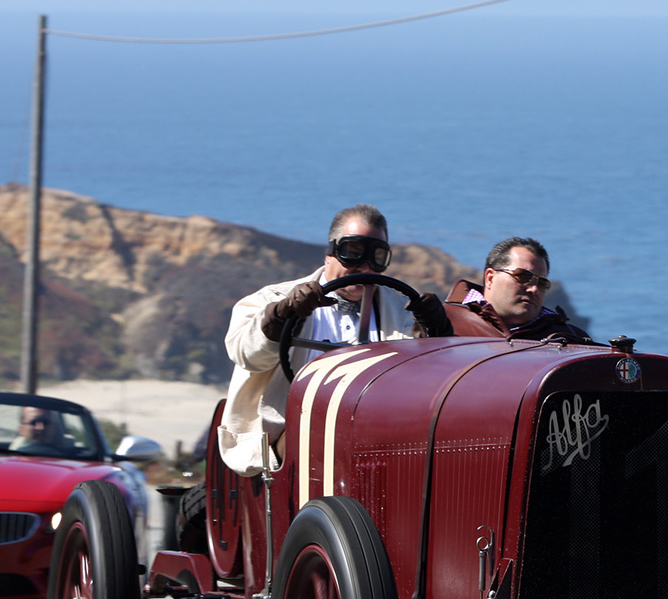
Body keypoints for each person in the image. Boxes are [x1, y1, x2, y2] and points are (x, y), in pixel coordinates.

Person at [217, 203, 451, 477]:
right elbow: (248, 354)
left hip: (376, 438)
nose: (364, 266)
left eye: (377, 257)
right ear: (330, 253)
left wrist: (439, 336)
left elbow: (426, 385)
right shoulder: (272, 301)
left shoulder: (401, 313)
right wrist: (282, 316)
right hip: (289, 445)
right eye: (352, 252)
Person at [447, 237, 591, 343]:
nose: (534, 289)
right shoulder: (441, 321)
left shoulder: (572, 339)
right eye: (522, 276)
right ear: (490, 278)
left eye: (542, 283)